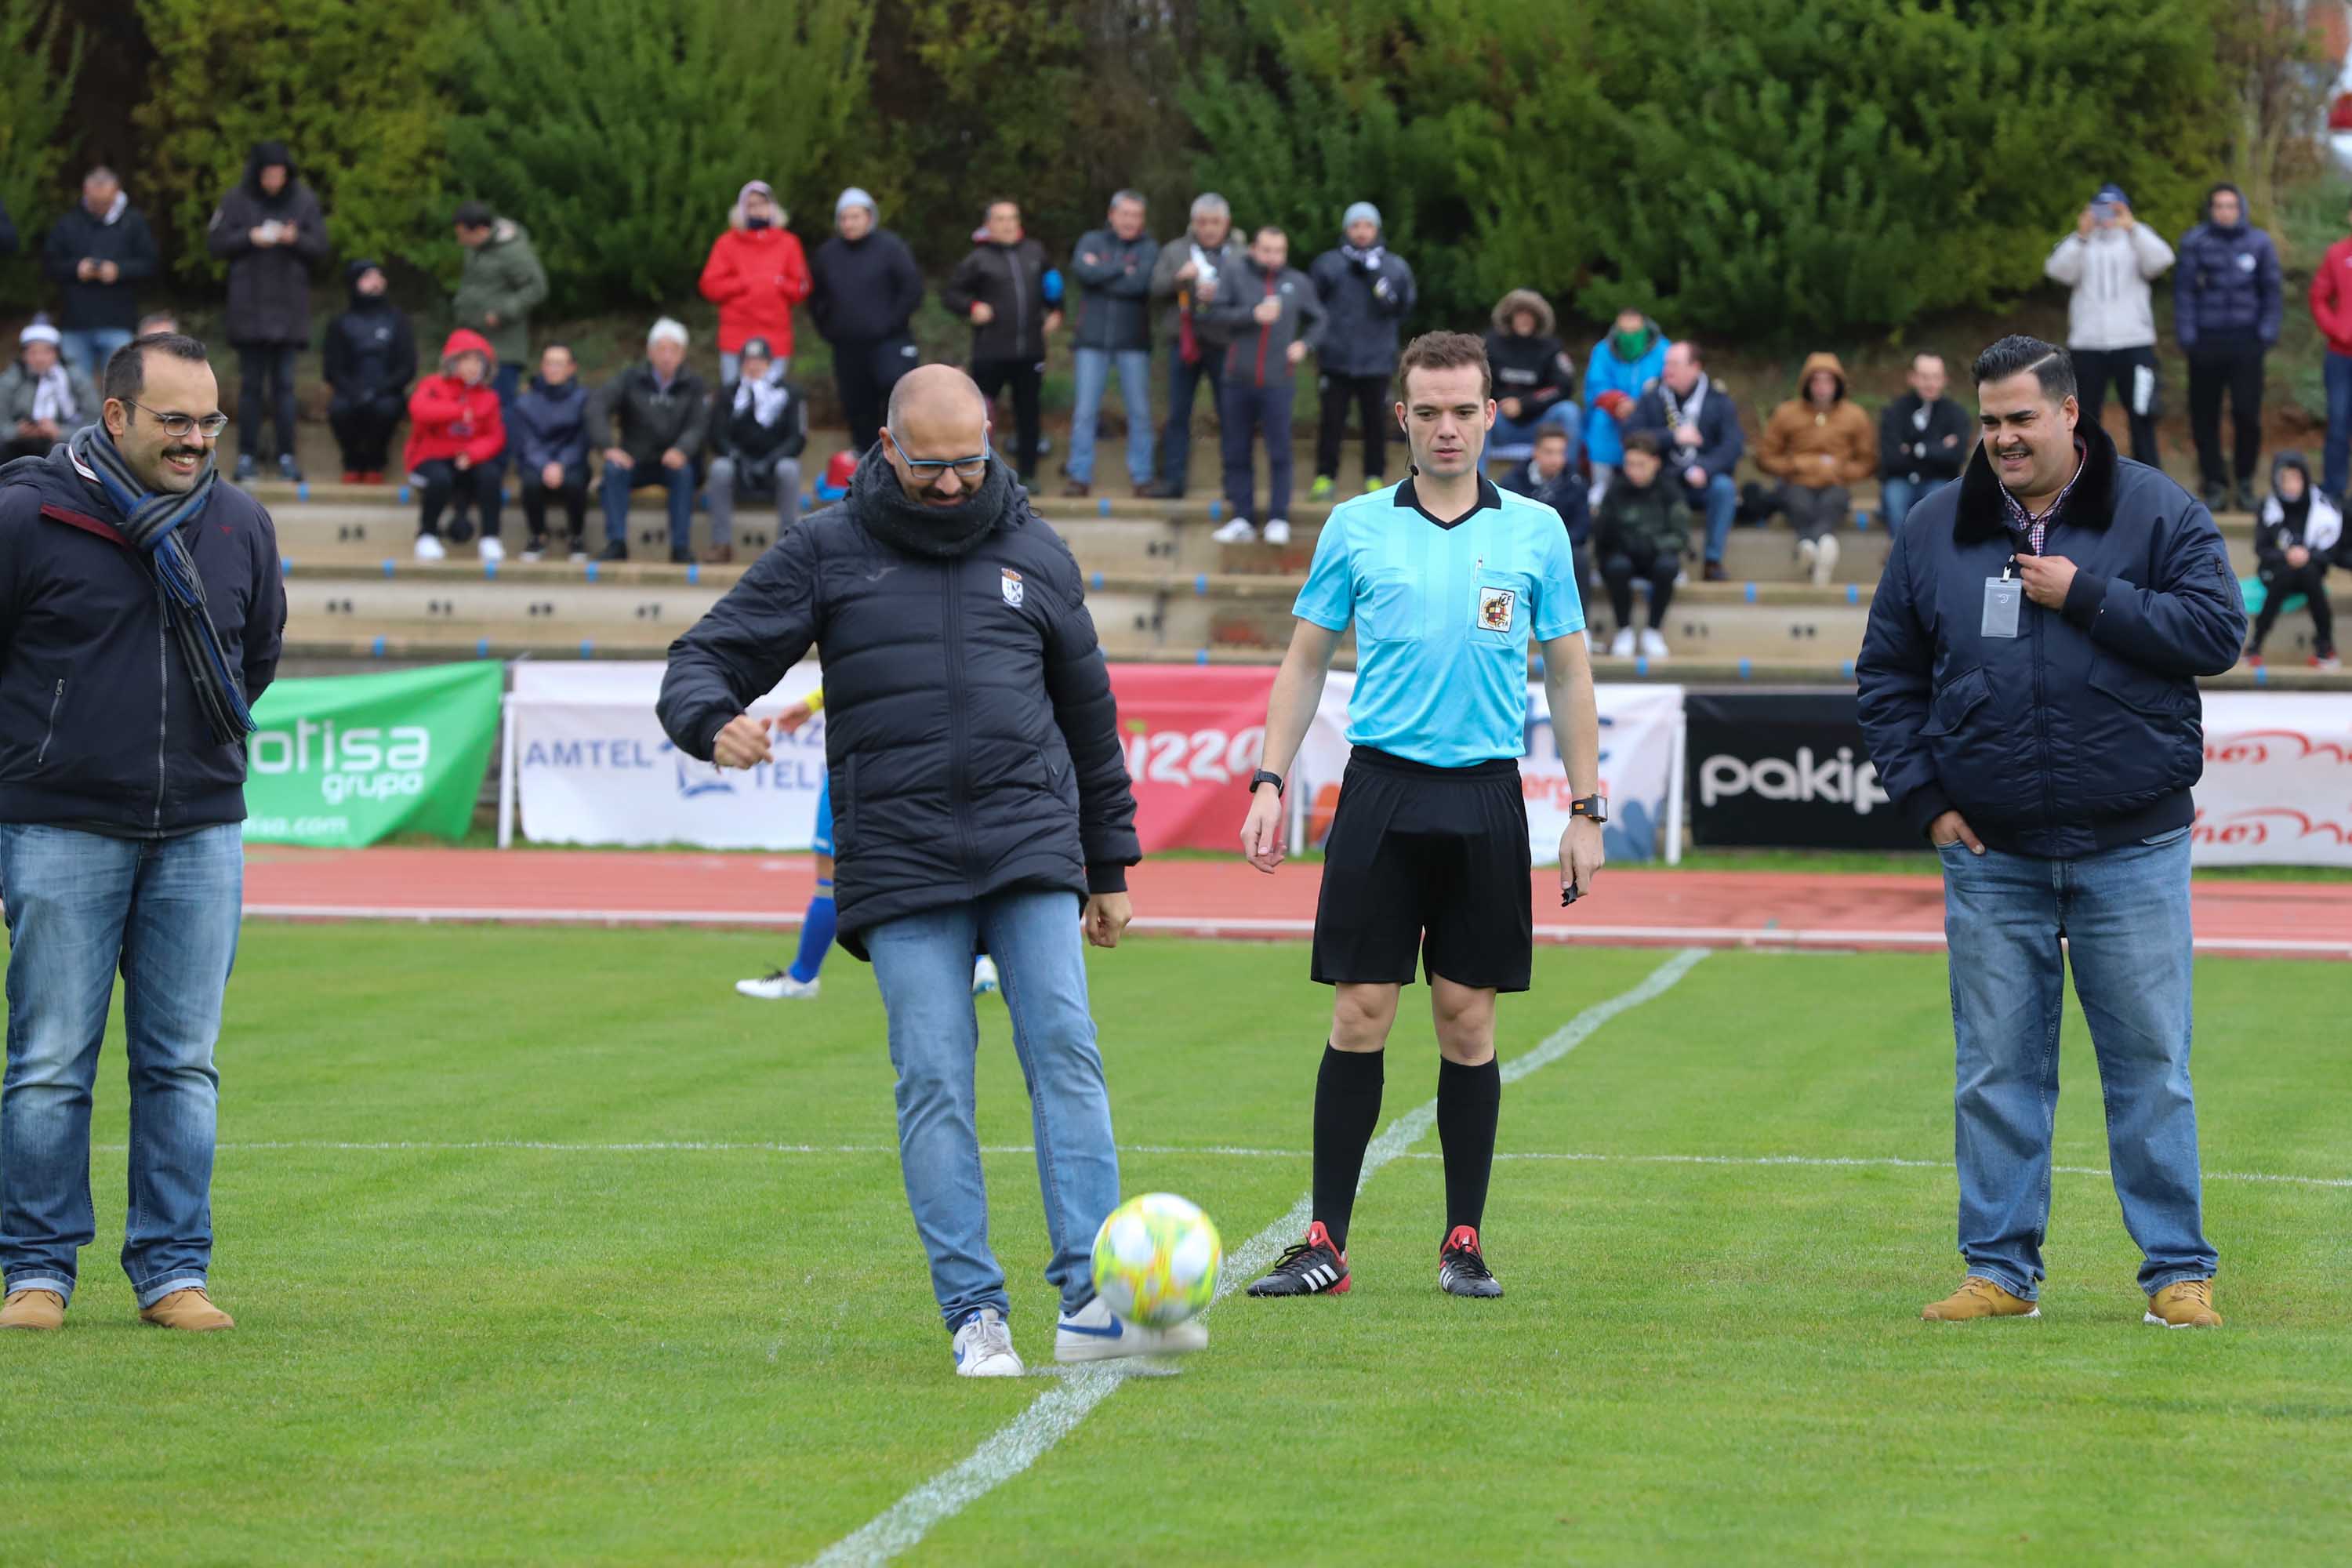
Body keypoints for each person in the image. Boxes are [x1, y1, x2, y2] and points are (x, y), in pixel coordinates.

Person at [659, 363, 1186, 1377]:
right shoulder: (825, 551)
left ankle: (1092, 1301)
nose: (953, 486)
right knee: (936, 1081)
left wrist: (1110, 863)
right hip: (898, 862)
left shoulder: (1037, 550)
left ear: (990, 444)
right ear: (889, 449)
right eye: (932, 466)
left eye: (970, 464)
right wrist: (708, 721)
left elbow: (1090, 719)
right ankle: (973, 1313)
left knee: (1067, 1056)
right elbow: (704, 656)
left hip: (1032, 845)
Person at [1857, 334, 2243, 1330]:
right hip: (1992, 854)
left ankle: (2176, 1272)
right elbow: (1887, 676)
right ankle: (1998, 1270)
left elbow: (2217, 633)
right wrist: (1925, 798)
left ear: (2071, 412)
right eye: (1988, 421)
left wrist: (2087, 594)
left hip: (2134, 846)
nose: (2002, 438)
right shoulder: (1938, 524)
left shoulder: (2158, 509)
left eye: (2021, 417)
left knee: (2152, 1067)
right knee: (1994, 1070)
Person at [1236, 330, 1603, 1302]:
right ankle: (1324, 1241)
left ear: (1492, 414)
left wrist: (1585, 805)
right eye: (1429, 411)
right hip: (1381, 791)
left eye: (1464, 410)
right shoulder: (1356, 526)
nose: (1447, 427)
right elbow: (1306, 659)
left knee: (1465, 1021)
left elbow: (1568, 672)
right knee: (1359, 1013)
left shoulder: (1536, 530)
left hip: (1485, 794)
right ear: (1402, 416)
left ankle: (1463, 1240)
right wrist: (1270, 781)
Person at [0, 332, 285, 1335]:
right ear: (115, 415)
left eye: (208, 421)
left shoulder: (241, 523)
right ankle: (34, 1271)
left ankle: (173, 1271)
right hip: (58, 823)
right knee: (46, 1060)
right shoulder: (29, 516)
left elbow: (255, 657)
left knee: (182, 1065)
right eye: (175, 420)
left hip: (200, 830)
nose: (195, 439)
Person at [732, 688, 1000, 1004]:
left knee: (834, 874)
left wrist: (812, 702)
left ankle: (802, 977)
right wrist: (813, 703)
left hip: (864, 759)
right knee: (920, 863)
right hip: (917, 755)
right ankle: (976, 961)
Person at [206, 140, 328, 483]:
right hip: (249, 310)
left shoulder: (303, 200)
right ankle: (246, 456)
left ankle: (287, 455)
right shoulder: (236, 200)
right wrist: (249, 237)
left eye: (279, 175)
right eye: (268, 175)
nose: (274, 181)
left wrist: (294, 238)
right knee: (251, 387)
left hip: (289, 312)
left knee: (285, 387)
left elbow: (321, 245)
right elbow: (215, 243)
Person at [1205, 226, 1325, 546]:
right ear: (1255, 250)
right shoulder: (1234, 274)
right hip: (1236, 379)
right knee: (1235, 450)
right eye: (1267, 250)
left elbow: (1321, 319)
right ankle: (1242, 517)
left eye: (1279, 251)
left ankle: (1277, 518)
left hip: (1278, 381)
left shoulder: (1297, 282)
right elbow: (1215, 314)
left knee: (1279, 451)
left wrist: (1304, 346)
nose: (1273, 257)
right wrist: (1251, 314)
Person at [2045, 183, 2173, 469]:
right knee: (2085, 415)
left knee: (2142, 413)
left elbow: (2162, 260)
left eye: (2114, 209)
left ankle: (2149, 475)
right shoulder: (2081, 243)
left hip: (2134, 341)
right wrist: (2081, 235)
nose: (2107, 216)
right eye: (2101, 209)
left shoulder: (2137, 239)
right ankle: (2084, 472)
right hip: (2088, 344)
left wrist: (2133, 227)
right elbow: (2056, 270)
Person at [2176, 183, 2281, 514]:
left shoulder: (2259, 243)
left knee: (2247, 413)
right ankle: (2214, 482)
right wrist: (2188, 336)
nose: (2225, 212)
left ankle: (2246, 480)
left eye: (2231, 206)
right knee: (2204, 415)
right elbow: (2184, 293)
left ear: (2241, 209)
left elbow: (2272, 292)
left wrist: (2265, 333)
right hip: (2206, 342)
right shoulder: (2195, 242)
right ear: (2211, 210)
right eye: (2219, 206)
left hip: (2246, 342)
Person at [942, 199, 1060, 484]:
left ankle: (1028, 477)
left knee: (1029, 413)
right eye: (1001, 219)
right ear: (988, 225)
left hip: (1030, 351)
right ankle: (978, 473)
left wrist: (1057, 310)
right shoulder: (977, 259)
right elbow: (951, 294)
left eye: (1013, 218)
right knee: (981, 415)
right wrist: (972, 308)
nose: (1008, 224)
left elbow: (1053, 284)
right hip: (990, 351)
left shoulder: (1035, 252)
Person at [1309, 201, 1417, 499]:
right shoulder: (1328, 264)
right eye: (1355, 226)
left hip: (1376, 360)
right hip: (1336, 359)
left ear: (1376, 229)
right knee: (1331, 421)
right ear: (1346, 229)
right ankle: (1324, 476)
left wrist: (1375, 279)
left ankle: (1373, 476)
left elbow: (1403, 308)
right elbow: (1312, 306)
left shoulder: (1393, 266)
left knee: (1375, 422)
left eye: (1367, 226)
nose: (1361, 232)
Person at [807, 188, 925, 453]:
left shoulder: (891, 248)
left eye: (855, 217)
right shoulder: (828, 254)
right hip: (847, 346)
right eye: (844, 218)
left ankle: (900, 452)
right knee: (855, 402)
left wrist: (891, 323)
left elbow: (912, 289)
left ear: (869, 217)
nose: (849, 223)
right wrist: (829, 329)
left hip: (889, 342)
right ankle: (864, 456)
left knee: (896, 394)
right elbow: (816, 298)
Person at [591, 318, 711, 565]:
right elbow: (596, 406)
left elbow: (699, 425)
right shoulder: (629, 378)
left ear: (682, 354)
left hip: (673, 461)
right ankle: (616, 543)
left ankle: (680, 547)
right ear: (650, 351)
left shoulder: (695, 384)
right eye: (661, 349)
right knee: (613, 471)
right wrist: (608, 447)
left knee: (684, 472)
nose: (667, 356)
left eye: (673, 350)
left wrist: (682, 449)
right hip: (635, 459)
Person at [1064, 191, 1159, 499]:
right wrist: (1121, 268)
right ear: (1112, 214)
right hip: (1091, 341)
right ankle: (1079, 476)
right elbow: (1083, 272)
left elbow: (1140, 283)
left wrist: (1103, 270)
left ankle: (1142, 477)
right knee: (1085, 413)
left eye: (1136, 215)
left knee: (1140, 413)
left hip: (1133, 342)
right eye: (1125, 214)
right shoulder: (1091, 240)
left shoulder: (1149, 247)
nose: (1130, 221)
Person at [1149, 194, 1243, 498]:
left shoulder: (1240, 254)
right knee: (1178, 414)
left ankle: (1234, 483)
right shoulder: (1176, 251)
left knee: (1230, 415)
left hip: (1225, 343)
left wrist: (1224, 292)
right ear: (1194, 223)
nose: (1209, 229)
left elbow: (1252, 294)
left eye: (1215, 223)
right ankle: (1173, 481)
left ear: (1226, 224)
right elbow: (1154, 289)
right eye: (1203, 222)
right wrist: (1179, 279)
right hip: (1184, 343)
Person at [1755, 351, 1875, 587]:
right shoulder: (1786, 413)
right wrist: (1796, 465)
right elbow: (1765, 456)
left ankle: (1808, 546)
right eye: (1816, 380)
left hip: (1835, 484)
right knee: (1799, 503)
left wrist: (1840, 470)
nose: (1822, 387)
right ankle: (1822, 546)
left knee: (1833, 503)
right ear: (1806, 383)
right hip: (1796, 483)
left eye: (1828, 381)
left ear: (1838, 384)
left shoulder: (1855, 416)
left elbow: (1868, 460)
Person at [1627, 340, 1743, 580]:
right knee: (1651, 486)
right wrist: (1672, 437)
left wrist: (1705, 468)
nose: (1667, 369)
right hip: (1666, 477)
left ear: (1695, 367)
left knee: (1724, 488)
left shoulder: (1718, 400)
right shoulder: (1654, 397)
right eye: (1666, 363)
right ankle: (1664, 560)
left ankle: (1712, 561)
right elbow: (1631, 435)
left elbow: (1732, 446)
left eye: (1675, 364)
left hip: (1704, 479)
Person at [42, 168, 161, 382]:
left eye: (105, 203)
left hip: (118, 321)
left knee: (119, 387)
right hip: (75, 322)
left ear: (116, 192)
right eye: (95, 202)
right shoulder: (68, 223)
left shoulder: (132, 222)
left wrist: (119, 271)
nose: (100, 208)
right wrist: (76, 269)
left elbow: (151, 264)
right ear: (85, 191)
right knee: (76, 389)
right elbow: (49, 264)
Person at [402, 329, 506, 562]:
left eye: (478, 361)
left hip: (467, 459)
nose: (473, 366)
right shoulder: (432, 384)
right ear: (453, 361)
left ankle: (490, 537)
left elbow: (495, 436)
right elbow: (419, 411)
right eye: (466, 359)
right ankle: (427, 534)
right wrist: (458, 412)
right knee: (440, 479)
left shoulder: (489, 397)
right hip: (430, 457)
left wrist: (472, 453)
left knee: (491, 476)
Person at [699, 179, 811, 387]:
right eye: (751, 205)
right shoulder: (726, 243)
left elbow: (801, 287)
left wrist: (778, 285)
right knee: (735, 398)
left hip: (775, 337)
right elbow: (710, 286)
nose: (757, 210)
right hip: (736, 337)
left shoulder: (788, 243)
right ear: (741, 209)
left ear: (773, 208)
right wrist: (743, 284)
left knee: (773, 399)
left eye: (763, 203)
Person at [706, 336, 807, 564]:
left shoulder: (790, 393)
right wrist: (739, 459)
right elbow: (717, 435)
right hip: (739, 466)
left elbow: (797, 438)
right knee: (720, 468)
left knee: (789, 469)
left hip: (774, 465)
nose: (754, 366)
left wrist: (770, 461)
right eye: (749, 361)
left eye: (760, 360)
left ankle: (788, 544)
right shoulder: (729, 393)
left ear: (770, 363)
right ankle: (721, 544)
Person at [450, 201, 548, 423]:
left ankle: (503, 455)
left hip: (502, 346)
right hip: (473, 340)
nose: (460, 240)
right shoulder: (475, 249)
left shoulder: (513, 252)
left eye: (463, 234)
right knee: (472, 405)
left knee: (500, 406)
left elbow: (537, 288)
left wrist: (502, 312)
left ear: (481, 230)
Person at [321, 260, 415, 484]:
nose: (376, 283)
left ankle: (375, 463)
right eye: (369, 277)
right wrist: (354, 391)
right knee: (340, 410)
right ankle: (352, 462)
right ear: (355, 283)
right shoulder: (341, 323)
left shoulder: (397, 320)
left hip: (387, 390)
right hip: (349, 389)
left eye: (379, 277)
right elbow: (332, 367)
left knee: (385, 410)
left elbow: (407, 366)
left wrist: (381, 389)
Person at [1593, 431, 1686, 659]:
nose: (1634, 470)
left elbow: (1680, 536)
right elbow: (1602, 534)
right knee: (1616, 567)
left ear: (1655, 463)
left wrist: (1651, 544)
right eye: (1630, 464)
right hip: (1622, 555)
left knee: (1668, 566)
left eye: (1641, 464)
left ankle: (1653, 630)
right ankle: (1624, 629)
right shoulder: (1615, 489)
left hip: (1655, 555)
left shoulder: (1670, 490)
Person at [2247, 452, 2340, 670]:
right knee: (2287, 573)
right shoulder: (2268, 508)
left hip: (2311, 572)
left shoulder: (2324, 509)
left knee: (2308, 573)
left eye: (2296, 478)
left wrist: (2308, 555)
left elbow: (2330, 552)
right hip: (2275, 572)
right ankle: (2256, 643)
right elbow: (2262, 549)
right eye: (2285, 479)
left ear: (2305, 479)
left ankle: (2325, 645)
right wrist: (2286, 556)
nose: (2291, 485)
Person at [510, 343, 592, 561]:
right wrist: (545, 464)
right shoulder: (525, 401)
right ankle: (537, 536)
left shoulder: (584, 399)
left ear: (571, 368)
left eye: (559, 364)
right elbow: (525, 441)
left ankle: (576, 536)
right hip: (537, 462)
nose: (554, 368)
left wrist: (561, 464)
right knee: (530, 483)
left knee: (576, 483)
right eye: (549, 363)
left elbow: (582, 440)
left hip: (571, 462)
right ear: (542, 367)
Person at [1482, 289, 1581, 464]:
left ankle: (1568, 479)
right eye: (1519, 313)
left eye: (1530, 314)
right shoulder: (1490, 344)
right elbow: (1480, 383)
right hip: (1500, 421)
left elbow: (1563, 387)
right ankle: (1476, 484)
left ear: (1538, 319)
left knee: (1569, 411)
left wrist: (1524, 404)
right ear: (1510, 316)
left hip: (1540, 425)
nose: (1524, 319)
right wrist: (1503, 404)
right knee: (1478, 411)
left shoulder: (1551, 347)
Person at [1876, 351, 1973, 531]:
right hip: (1900, 480)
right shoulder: (1894, 411)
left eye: (1936, 377)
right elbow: (1891, 458)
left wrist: (1914, 450)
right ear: (1912, 378)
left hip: (1939, 480)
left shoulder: (1956, 414)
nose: (1930, 383)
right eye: (1924, 377)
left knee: (1934, 507)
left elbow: (1957, 457)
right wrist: (1938, 448)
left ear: (1945, 379)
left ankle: (1928, 556)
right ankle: (1900, 556)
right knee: (1895, 504)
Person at [1583, 307, 1667, 498]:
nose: (1629, 338)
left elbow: (1667, 384)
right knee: (1600, 420)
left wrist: (1638, 406)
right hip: (1615, 410)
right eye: (1624, 332)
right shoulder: (1603, 350)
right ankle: (1600, 486)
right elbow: (1596, 384)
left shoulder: (1664, 350)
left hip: (1650, 410)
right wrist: (1617, 402)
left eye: (1634, 332)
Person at [1499, 424, 1592, 594]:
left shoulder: (1577, 483)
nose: (1555, 459)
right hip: (1523, 547)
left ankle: (1579, 620)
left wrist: (1555, 546)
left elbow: (1582, 527)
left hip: (1562, 549)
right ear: (1536, 452)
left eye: (1560, 452)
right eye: (1549, 452)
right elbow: (1505, 523)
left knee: (1579, 559)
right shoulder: (1512, 482)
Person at [0, 323, 99, 463]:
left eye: (46, 352)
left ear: (57, 354)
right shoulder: (10, 380)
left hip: (63, 443)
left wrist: (60, 432)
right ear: (23, 355)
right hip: (16, 445)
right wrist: (16, 432)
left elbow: (94, 421)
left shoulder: (77, 379)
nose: (39, 358)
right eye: (33, 352)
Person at [2310, 194, 2352, 500]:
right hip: (2341, 357)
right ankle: (2334, 492)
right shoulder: (2338, 254)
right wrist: (2337, 328)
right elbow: (2318, 297)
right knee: (2338, 425)